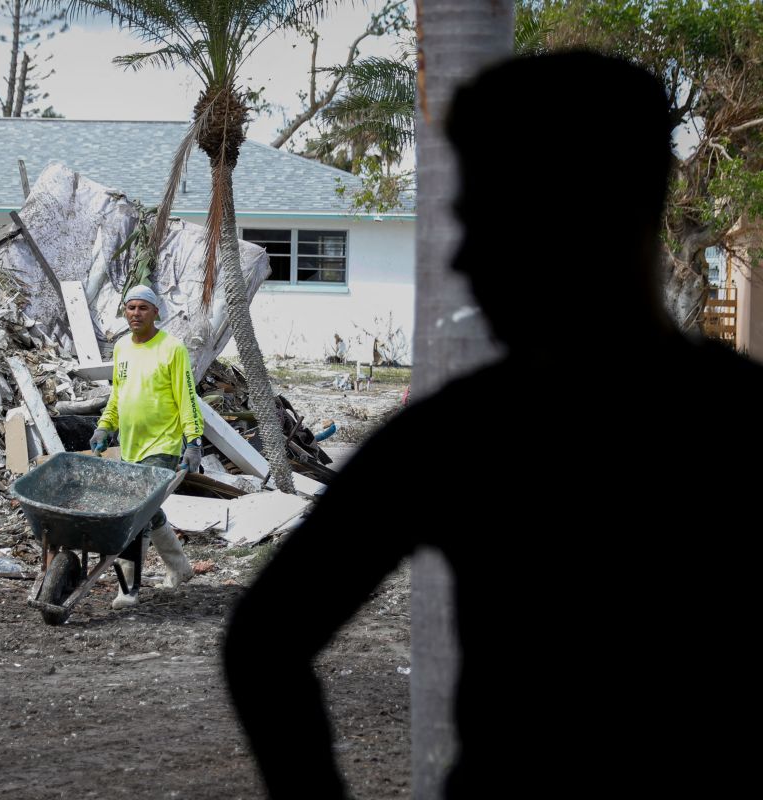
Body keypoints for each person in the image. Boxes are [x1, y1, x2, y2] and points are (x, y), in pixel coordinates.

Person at [223, 51, 763, 799]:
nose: (466, 258)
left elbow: (263, 643)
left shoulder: (462, 438)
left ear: (599, 216)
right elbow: (261, 643)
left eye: (495, 220)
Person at [90, 284, 203, 609]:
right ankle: (180, 568)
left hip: (163, 445)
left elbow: (187, 398)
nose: (136, 313)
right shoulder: (122, 348)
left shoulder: (172, 349)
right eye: (130, 307)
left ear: (156, 313)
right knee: (148, 511)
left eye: (143, 308)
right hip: (130, 447)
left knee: (135, 514)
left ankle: (128, 589)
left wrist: (193, 441)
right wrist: (104, 425)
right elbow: (117, 395)